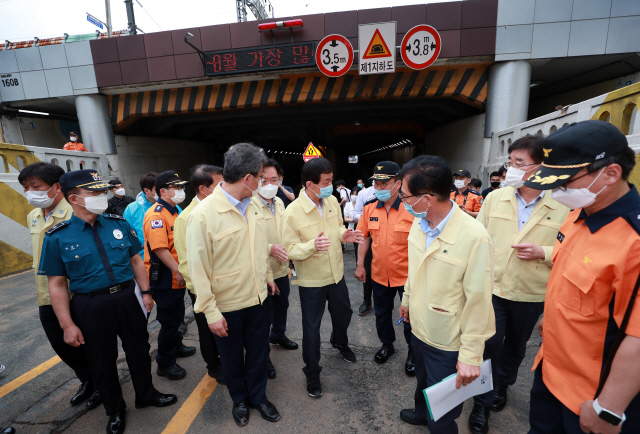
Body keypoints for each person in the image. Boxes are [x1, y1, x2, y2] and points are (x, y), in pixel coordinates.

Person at [38, 169, 177, 434]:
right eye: (95, 192)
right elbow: (56, 284)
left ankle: (146, 394)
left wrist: (146, 293)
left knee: (138, 349)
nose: (103, 196)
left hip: (127, 297)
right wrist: (67, 324)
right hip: (90, 305)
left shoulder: (118, 223)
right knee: (101, 359)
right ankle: (115, 409)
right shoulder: (57, 236)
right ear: (75, 199)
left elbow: (136, 260)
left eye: (103, 191)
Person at [523, 120, 640, 434]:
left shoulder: (634, 242)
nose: (555, 190)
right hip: (550, 369)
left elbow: (639, 338)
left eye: (563, 182)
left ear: (611, 173)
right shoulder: (579, 214)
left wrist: (609, 410)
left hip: (591, 396)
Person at [469, 135, 569, 434]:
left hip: (531, 291)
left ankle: (502, 385)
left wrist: (545, 252)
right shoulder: (496, 197)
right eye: (510, 162)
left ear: (542, 166)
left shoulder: (562, 203)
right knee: (489, 343)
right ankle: (481, 402)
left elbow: (576, 248)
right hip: (493, 287)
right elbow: (478, 237)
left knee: (514, 345)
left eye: (519, 163)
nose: (511, 168)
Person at [397, 155, 496, 433]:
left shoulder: (474, 237)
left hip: (447, 339)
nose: (402, 201)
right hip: (418, 327)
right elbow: (414, 270)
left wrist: (471, 355)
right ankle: (421, 412)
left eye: (405, 196)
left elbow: (479, 302)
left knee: (443, 410)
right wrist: (406, 301)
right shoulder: (420, 224)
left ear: (426, 198)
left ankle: (437, 423)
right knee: (422, 380)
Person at [187, 143, 281, 427]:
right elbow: (198, 270)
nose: (263, 183)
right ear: (249, 179)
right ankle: (239, 399)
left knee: (258, 353)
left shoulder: (252, 206)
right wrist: (211, 313)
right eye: (261, 178)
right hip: (226, 307)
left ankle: (258, 397)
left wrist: (267, 277)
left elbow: (258, 247)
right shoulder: (203, 216)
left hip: (258, 300)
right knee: (231, 359)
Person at [19, 162, 101, 410]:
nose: (30, 192)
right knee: (63, 345)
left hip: (77, 293)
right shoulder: (33, 216)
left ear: (56, 187)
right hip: (47, 294)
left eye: (36, 186)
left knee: (90, 344)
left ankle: (101, 384)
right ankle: (87, 380)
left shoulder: (77, 211)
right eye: (26, 188)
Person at [281, 157, 363, 398]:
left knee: (344, 313)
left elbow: (337, 227)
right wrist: (311, 246)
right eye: (326, 181)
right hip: (312, 281)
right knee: (311, 329)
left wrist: (344, 234)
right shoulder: (293, 212)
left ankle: (339, 341)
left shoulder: (331, 201)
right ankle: (313, 373)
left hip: (336, 275)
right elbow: (289, 250)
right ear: (310, 184)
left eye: (330, 180)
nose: (330, 186)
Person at [355, 162, 415, 376]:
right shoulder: (369, 208)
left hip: (408, 276)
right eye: (376, 184)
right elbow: (363, 238)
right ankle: (387, 344)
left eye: (384, 183)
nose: (379, 188)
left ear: (398, 184)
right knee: (382, 313)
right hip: (379, 273)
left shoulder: (411, 208)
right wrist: (360, 265)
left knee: (410, 316)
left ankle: (413, 352)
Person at [174, 164, 225, 384]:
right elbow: (186, 262)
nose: (225, 187)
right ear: (204, 189)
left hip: (225, 285)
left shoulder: (221, 209)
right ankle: (214, 366)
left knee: (223, 328)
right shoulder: (187, 218)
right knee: (207, 330)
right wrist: (199, 293)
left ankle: (225, 360)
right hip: (203, 288)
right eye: (220, 184)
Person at [143, 170, 195, 381]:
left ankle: (177, 345)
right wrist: (177, 270)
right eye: (177, 188)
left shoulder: (174, 210)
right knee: (169, 320)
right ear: (163, 191)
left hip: (176, 274)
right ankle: (165, 362)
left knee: (177, 314)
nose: (181, 191)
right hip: (165, 276)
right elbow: (160, 248)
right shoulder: (156, 215)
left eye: (182, 187)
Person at [253, 159, 299, 381]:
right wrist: (270, 248)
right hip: (260, 272)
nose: (269, 183)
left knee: (282, 305)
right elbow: (245, 241)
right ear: (255, 179)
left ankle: (279, 335)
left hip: (281, 269)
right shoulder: (249, 204)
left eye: (274, 179)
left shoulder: (279, 203)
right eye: (264, 179)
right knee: (263, 316)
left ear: (281, 180)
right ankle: (265, 357)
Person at [124, 172, 160, 259]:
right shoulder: (131, 209)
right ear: (146, 190)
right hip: (146, 260)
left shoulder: (172, 205)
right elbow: (129, 239)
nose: (162, 190)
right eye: (157, 188)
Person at [354, 181, 376, 316]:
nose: (380, 187)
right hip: (367, 235)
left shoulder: (403, 201)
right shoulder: (365, 195)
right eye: (377, 183)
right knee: (366, 271)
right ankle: (366, 301)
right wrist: (365, 219)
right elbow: (356, 213)